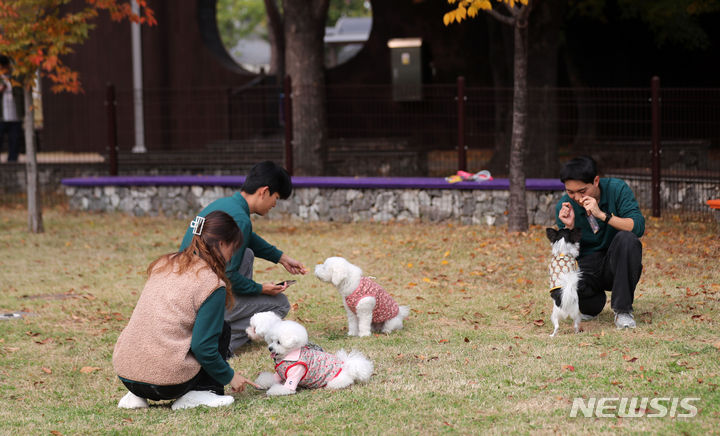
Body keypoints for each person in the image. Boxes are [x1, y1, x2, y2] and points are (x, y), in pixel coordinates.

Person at [113, 211, 260, 410]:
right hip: (167, 383)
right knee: (221, 329)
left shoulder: (164, 263)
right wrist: (230, 376)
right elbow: (204, 347)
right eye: (233, 250)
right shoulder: (211, 283)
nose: (232, 258)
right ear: (223, 244)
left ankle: (136, 396)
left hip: (127, 375)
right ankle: (204, 392)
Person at [180, 161, 307, 354]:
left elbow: (247, 239)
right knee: (280, 304)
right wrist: (261, 289)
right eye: (276, 198)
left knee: (245, 254)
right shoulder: (240, 219)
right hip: (203, 301)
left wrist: (281, 257)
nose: (274, 204)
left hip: (186, 291)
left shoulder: (225, 205)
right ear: (264, 191)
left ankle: (224, 322)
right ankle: (222, 345)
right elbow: (229, 276)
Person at [555, 155, 645, 329]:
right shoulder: (564, 206)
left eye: (582, 191)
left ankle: (623, 310)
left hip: (616, 263)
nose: (576, 197)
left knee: (627, 238)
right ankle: (592, 303)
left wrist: (602, 215)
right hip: (587, 267)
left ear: (596, 181)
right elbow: (565, 259)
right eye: (570, 192)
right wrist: (569, 228)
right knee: (566, 291)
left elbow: (638, 227)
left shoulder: (617, 189)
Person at [0, 55, 24, 163]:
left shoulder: (16, 78)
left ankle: (13, 160)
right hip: (2, 116)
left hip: (15, 115)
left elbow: (22, 95)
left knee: (14, 140)